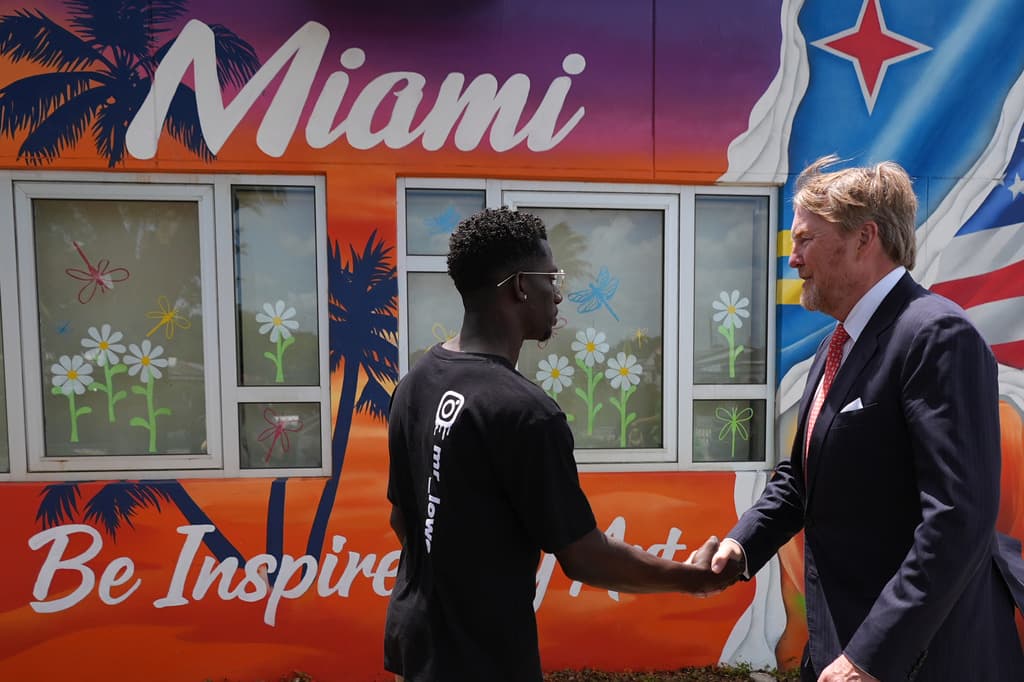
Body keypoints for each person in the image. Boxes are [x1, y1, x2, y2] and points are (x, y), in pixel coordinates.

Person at [384, 207, 741, 681]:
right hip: (481, 660)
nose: (558, 292)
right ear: (519, 287)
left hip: (417, 640)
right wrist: (689, 579)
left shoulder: (416, 382)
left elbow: (403, 519)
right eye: (552, 277)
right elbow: (584, 556)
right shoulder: (525, 413)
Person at [707, 156, 1024, 681]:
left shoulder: (936, 336)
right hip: (842, 642)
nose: (793, 258)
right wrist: (741, 547)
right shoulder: (836, 347)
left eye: (806, 239)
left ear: (864, 239)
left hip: (916, 658)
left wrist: (871, 656)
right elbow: (801, 481)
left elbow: (956, 516)